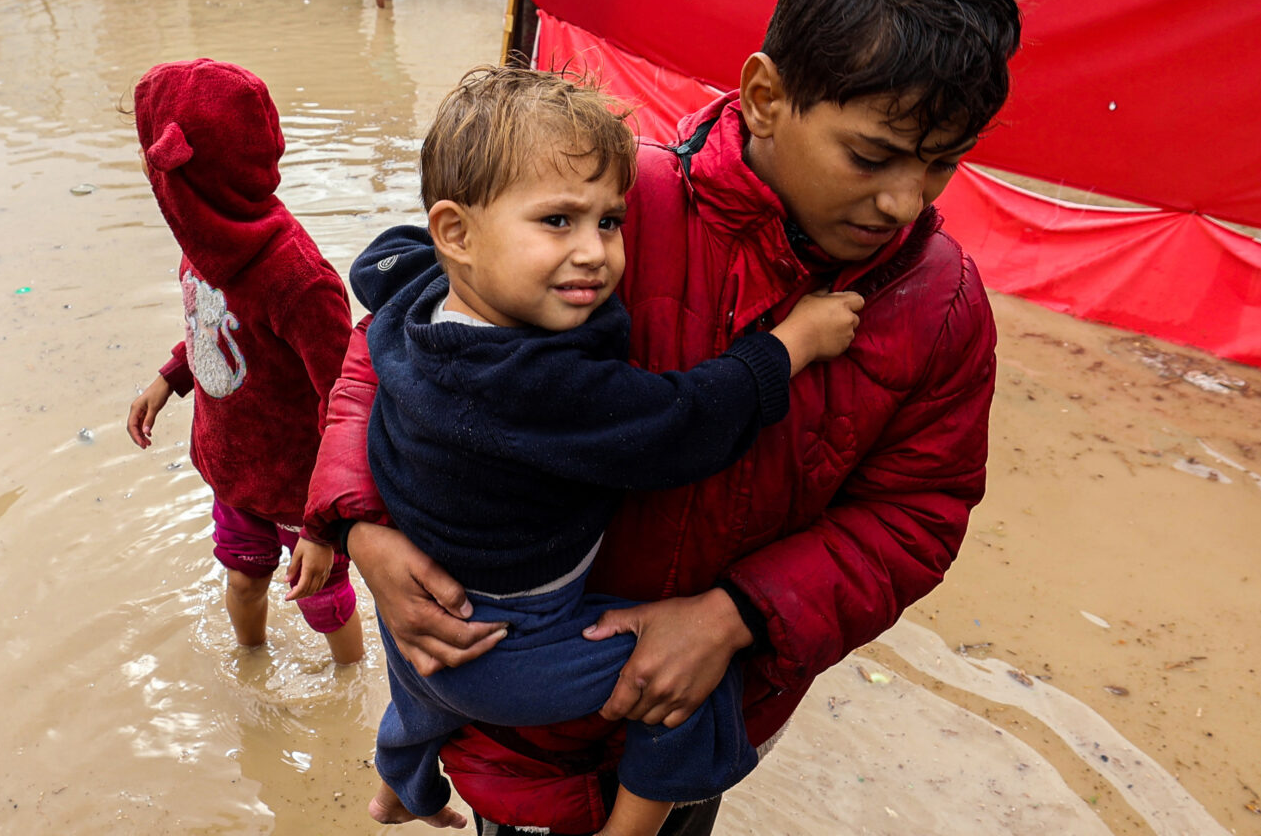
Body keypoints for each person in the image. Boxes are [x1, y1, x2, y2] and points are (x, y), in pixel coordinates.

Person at [303, 0, 1022, 834]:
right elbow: (390, 346)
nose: (903, 200)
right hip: (525, 723)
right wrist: (359, 522)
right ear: (765, 96)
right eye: (872, 155)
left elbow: (919, 514)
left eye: (942, 165)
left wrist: (733, 617)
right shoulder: (608, 209)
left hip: (715, 693)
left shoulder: (941, 309)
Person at [292, 68, 863, 834]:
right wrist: (794, 342)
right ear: (457, 233)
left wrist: (347, 522)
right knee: (689, 686)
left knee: (420, 697)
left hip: (420, 601)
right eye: (558, 221)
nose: (594, 252)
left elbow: (384, 263)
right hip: (507, 637)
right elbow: (684, 421)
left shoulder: (418, 297)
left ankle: (401, 789)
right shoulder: (527, 381)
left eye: (611, 221)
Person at [124, 59, 365, 667]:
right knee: (242, 581)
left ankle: (347, 691)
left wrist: (320, 525)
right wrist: (170, 377)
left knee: (323, 600)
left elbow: (346, 402)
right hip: (234, 471)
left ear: (181, 177)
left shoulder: (297, 281)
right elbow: (214, 327)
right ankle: (251, 668)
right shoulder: (202, 241)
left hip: (300, 489)